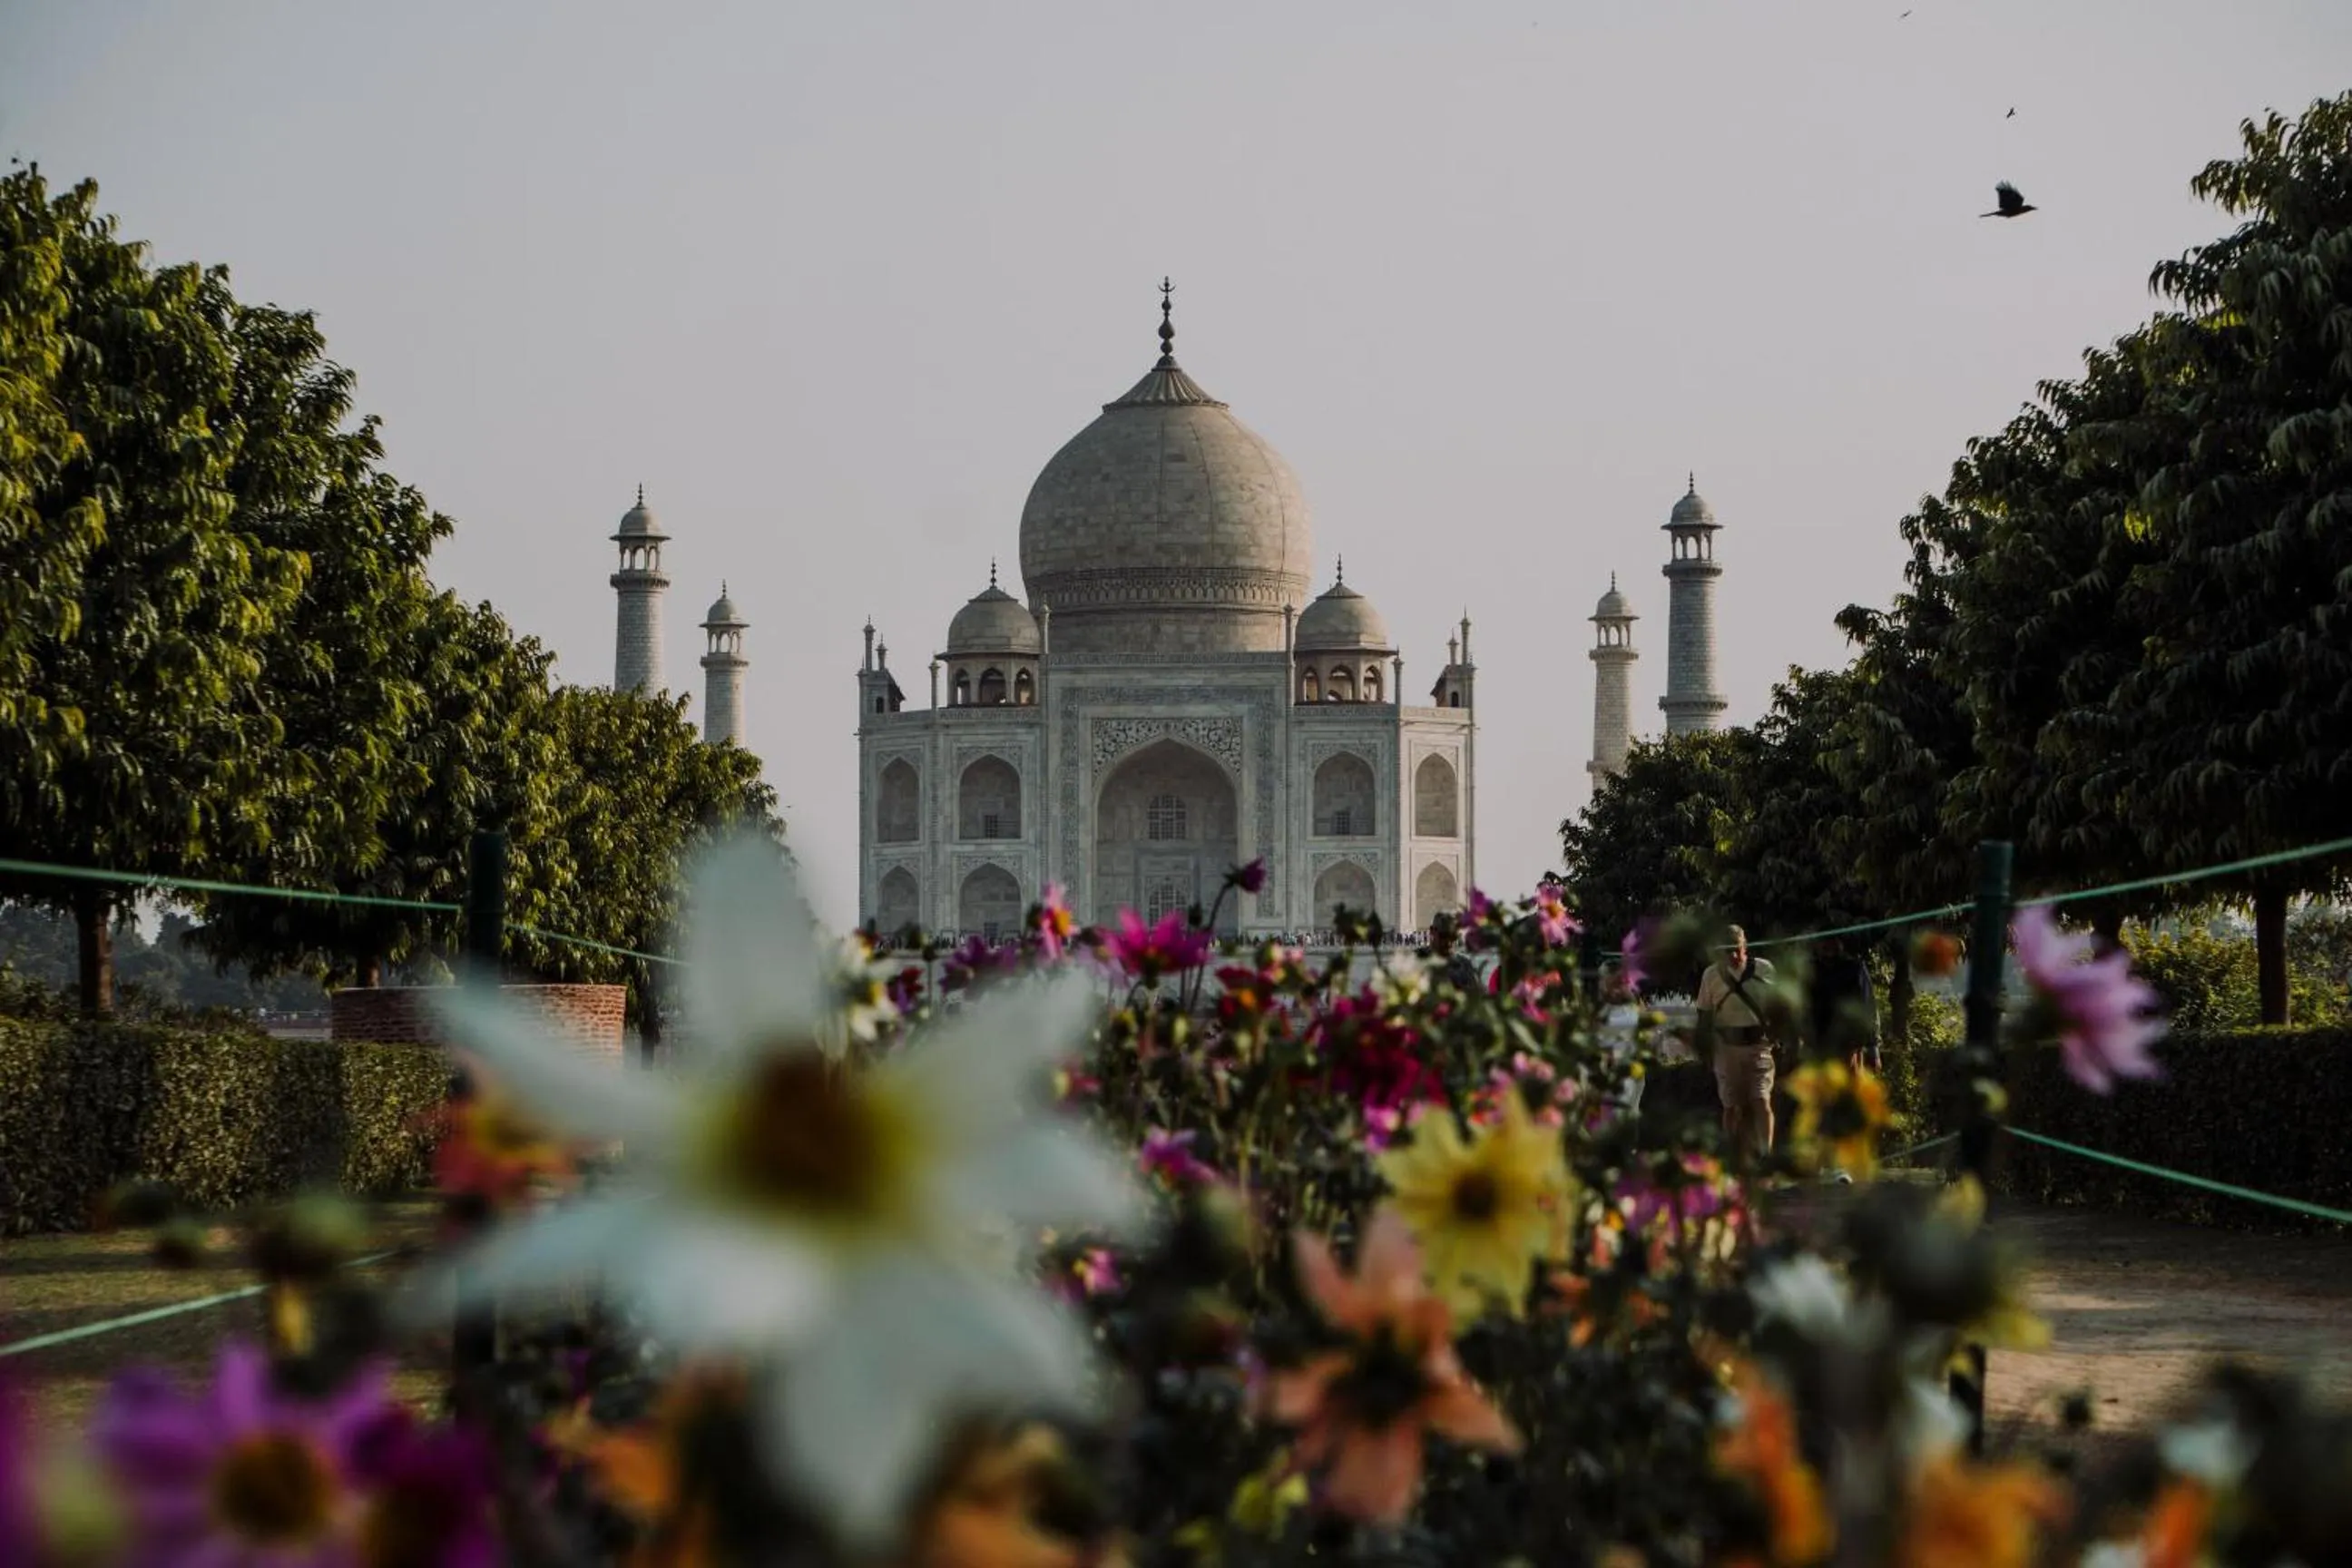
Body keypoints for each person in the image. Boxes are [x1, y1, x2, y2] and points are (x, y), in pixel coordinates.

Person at [1695, 925, 1777, 1161]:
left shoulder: (1765, 970)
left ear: (1745, 946)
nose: (1732, 956)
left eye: (1736, 949)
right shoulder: (1711, 975)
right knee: (1731, 1106)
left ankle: (1766, 1156)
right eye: (1726, 951)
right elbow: (1704, 1014)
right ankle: (1731, 1156)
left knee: (1761, 1099)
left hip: (1759, 1045)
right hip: (1726, 1048)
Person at [1809, 936, 1882, 1077]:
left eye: (1832, 941)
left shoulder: (1854, 968)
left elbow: (1868, 1006)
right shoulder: (1811, 969)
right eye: (1824, 941)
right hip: (1818, 1046)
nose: (1828, 946)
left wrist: (1873, 1047)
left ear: (1840, 943)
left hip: (1848, 1047)